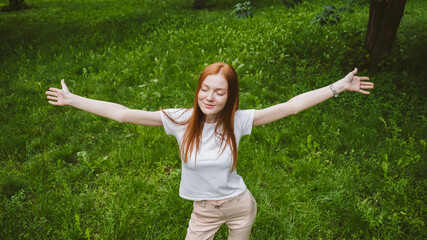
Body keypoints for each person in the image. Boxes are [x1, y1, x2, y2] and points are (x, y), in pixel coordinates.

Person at [46, 62, 373, 239]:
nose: (210, 97)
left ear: (230, 97)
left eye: (219, 92)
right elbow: (121, 112)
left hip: (240, 206)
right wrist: (74, 99)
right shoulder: (180, 120)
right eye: (205, 89)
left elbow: (290, 107)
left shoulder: (238, 121)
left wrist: (337, 88)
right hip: (203, 211)